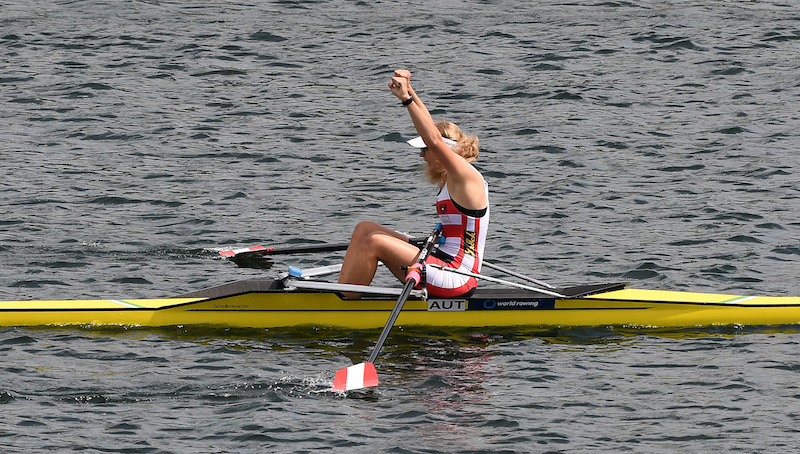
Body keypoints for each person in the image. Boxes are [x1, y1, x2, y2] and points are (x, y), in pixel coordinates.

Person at [337, 69, 490, 298]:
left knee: (376, 242)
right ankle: (341, 291)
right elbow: (433, 135)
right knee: (365, 229)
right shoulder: (449, 178)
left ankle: (342, 305)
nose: (421, 155)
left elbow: (434, 139)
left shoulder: (465, 176)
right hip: (439, 259)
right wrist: (409, 89)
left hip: (458, 276)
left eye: (424, 149)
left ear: (445, 151)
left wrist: (406, 99)